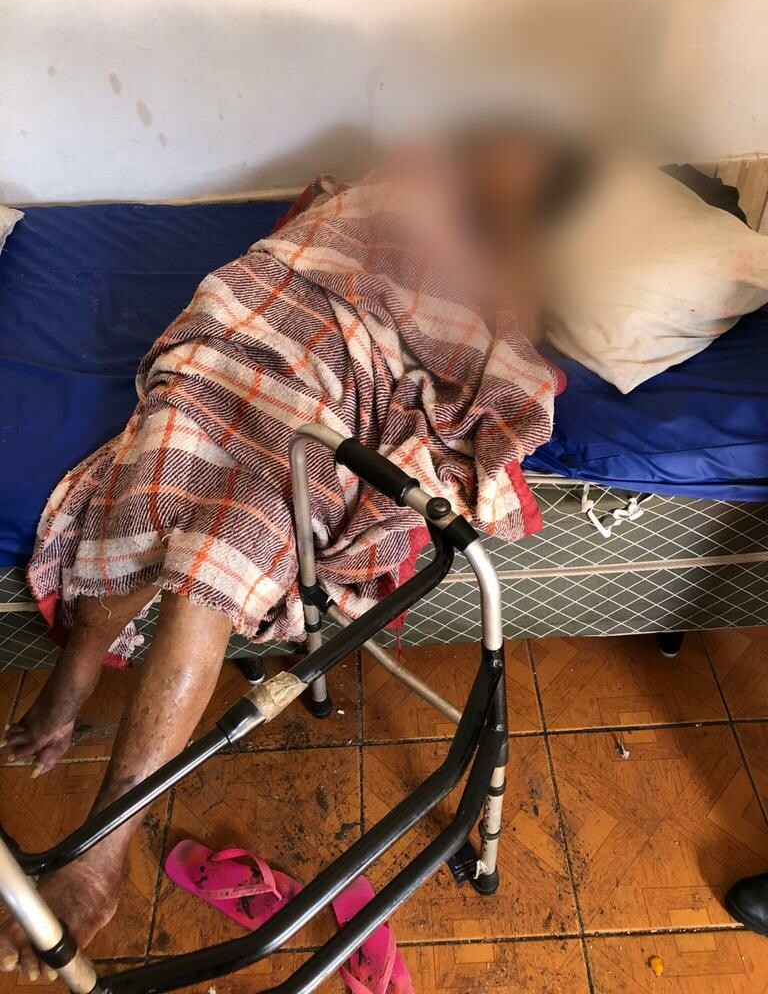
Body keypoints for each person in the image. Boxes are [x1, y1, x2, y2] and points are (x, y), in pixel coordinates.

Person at [0, 130, 570, 978]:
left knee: (227, 543)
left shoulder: (511, 257)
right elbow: (306, 243)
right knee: (153, 479)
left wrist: (514, 221)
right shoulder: (411, 170)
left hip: (339, 378)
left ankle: (103, 853)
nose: (506, 154)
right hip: (253, 326)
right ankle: (70, 685)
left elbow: (509, 355)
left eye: (531, 163)